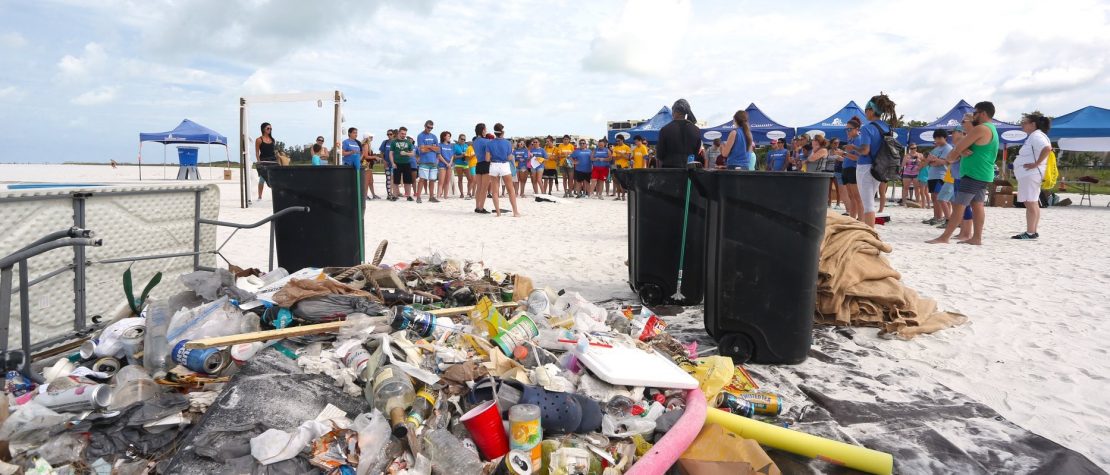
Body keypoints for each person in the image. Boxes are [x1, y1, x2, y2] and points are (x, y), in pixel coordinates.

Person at [927, 101, 1000, 245]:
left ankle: (945, 237)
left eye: (975, 113)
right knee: (977, 205)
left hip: (973, 173)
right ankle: (976, 238)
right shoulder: (992, 129)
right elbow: (960, 148)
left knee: (959, 205)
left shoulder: (981, 129)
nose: (973, 116)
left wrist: (958, 151)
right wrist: (960, 150)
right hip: (984, 173)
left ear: (983, 113)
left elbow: (955, 151)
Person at [855, 94, 898, 228]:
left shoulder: (866, 128)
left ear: (871, 110)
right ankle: (869, 231)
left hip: (865, 167)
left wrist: (853, 148)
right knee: (870, 201)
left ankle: (870, 233)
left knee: (868, 204)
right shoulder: (887, 128)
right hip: (880, 167)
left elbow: (865, 150)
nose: (865, 113)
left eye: (866, 110)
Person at [1013, 112, 1052, 240]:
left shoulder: (1036, 136)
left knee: (1029, 202)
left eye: (1024, 123)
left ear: (1033, 124)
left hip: (1031, 174)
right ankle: (1033, 231)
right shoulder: (1035, 136)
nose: (1022, 125)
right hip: (1030, 174)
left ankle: (1030, 232)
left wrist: (1036, 163)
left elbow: (1047, 148)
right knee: (1032, 202)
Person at [487, 123, 520, 217]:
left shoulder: (490, 143)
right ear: (502, 132)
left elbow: (487, 158)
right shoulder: (507, 143)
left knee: (495, 191)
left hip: (494, 165)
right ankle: (515, 212)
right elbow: (509, 157)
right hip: (504, 165)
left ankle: (498, 213)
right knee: (511, 189)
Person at [658, 99, 702, 168]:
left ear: (674, 112)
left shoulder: (665, 130)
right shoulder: (696, 130)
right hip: (688, 172)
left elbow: (660, 154)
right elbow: (696, 153)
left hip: (669, 172)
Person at [923, 130, 953, 225]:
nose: (938, 140)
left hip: (941, 175)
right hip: (932, 175)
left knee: (940, 197)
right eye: (936, 138)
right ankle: (936, 216)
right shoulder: (935, 149)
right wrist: (932, 161)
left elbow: (942, 162)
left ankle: (941, 217)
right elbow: (928, 162)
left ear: (945, 138)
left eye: (940, 138)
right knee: (934, 197)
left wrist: (933, 161)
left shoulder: (948, 148)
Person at [842, 117, 863, 220]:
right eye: (846, 129)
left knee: (857, 197)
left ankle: (861, 219)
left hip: (853, 169)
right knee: (851, 197)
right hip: (847, 168)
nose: (847, 131)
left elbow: (859, 158)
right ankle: (852, 218)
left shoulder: (858, 139)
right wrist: (842, 155)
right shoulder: (851, 139)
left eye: (849, 129)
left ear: (857, 129)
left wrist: (844, 154)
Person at [413, 120, 439, 203]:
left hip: (433, 161)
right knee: (422, 179)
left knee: (432, 180)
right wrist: (432, 147)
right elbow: (422, 149)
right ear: (425, 126)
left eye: (431, 128)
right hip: (424, 161)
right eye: (428, 127)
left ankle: (431, 197)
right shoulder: (420, 136)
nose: (430, 129)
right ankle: (418, 197)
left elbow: (438, 149)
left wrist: (428, 147)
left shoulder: (434, 136)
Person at [389, 127, 416, 201]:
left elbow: (413, 153)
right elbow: (391, 153)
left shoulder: (408, 142)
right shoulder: (394, 142)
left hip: (406, 163)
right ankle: (395, 196)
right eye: (402, 133)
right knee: (396, 180)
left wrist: (406, 153)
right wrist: (392, 163)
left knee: (407, 181)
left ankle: (408, 196)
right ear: (398, 133)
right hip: (397, 163)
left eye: (405, 134)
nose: (403, 135)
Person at [254, 122, 277, 201]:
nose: (269, 130)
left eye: (270, 128)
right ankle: (260, 196)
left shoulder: (272, 140)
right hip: (264, 161)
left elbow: (273, 151)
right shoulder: (259, 140)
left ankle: (275, 196)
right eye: (268, 128)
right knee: (262, 179)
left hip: (273, 161)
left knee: (274, 179)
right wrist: (259, 162)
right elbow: (257, 152)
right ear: (263, 129)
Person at [472, 123, 492, 213]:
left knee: (479, 188)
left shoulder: (475, 141)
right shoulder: (487, 141)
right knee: (484, 188)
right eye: (485, 129)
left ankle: (477, 207)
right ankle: (481, 207)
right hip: (486, 164)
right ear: (483, 130)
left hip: (478, 164)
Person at [360, 134, 381, 200]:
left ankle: (373, 194)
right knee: (367, 181)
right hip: (366, 164)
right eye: (371, 137)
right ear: (367, 138)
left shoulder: (367, 145)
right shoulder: (366, 145)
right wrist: (375, 157)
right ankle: (365, 195)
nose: (372, 138)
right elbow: (366, 156)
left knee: (371, 181)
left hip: (368, 163)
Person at [611, 135, 631, 200]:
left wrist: (620, 153)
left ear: (622, 140)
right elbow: (614, 158)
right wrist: (622, 155)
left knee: (623, 182)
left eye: (619, 141)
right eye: (616, 141)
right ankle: (618, 196)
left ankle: (623, 196)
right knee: (616, 181)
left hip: (624, 166)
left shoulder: (627, 147)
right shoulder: (615, 148)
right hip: (616, 165)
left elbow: (627, 158)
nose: (617, 142)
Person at [436, 131, 455, 201]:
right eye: (448, 136)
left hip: (450, 165)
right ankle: (438, 196)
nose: (449, 137)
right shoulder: (439, 145)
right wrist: (446, 163)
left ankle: (445, 196)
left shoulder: (451, 146)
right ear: (444, 137)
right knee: (441, 181)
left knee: (447, 181)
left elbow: (452, 155)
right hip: (442, 165)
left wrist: (450, 163)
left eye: (450, 136)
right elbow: (439, 155)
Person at [452, 134, 471, 199]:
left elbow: (468, 154)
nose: (463, 140)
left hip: (466, 164)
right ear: (459, 139)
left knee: (470, 179)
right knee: (460, 179)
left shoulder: (466, 145)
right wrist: (461, 155)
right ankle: (462, 193)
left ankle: (468, 193)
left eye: (464, 139)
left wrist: (467, 156)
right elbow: (453, 157)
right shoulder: (455, 146)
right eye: (462, 139)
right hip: (459, 164)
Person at [827, 138, 844, 207]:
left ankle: (838, 204)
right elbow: (826, 159)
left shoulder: (841, 151)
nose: (836, 144)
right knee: (828, 189)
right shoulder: (827, 151)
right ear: (831, 144)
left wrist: (836, 157)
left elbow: (843, 160)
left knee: (838, 188)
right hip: (828, 170)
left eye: (837, 143)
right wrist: (836, 157)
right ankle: (829, 203)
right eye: (835, 143)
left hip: (837, 171)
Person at [379, 130, 395, 200]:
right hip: (387, 163)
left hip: (394, 164)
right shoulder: (385, 142)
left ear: (393, 134)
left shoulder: (395, 142)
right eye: (388, 134)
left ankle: (394, 193)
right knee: (388, 178)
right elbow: (381, 152)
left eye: (390, 134)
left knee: (393, 179)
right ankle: (389, 194)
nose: (389, 135)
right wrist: (384, 161)